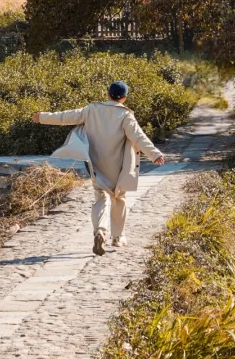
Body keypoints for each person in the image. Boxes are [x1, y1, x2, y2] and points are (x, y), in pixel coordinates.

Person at [33, 81, 166, 256]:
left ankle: (100, 231)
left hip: (95, 165)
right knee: (119, 198)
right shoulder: (125, 115)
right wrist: (155, 154)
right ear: (124, 98)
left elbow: (66, 117)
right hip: (118, 166)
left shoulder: (92, 109)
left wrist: (42, 117)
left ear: (107, 94)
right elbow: (138, 136)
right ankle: (117, 238)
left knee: (100, 198)